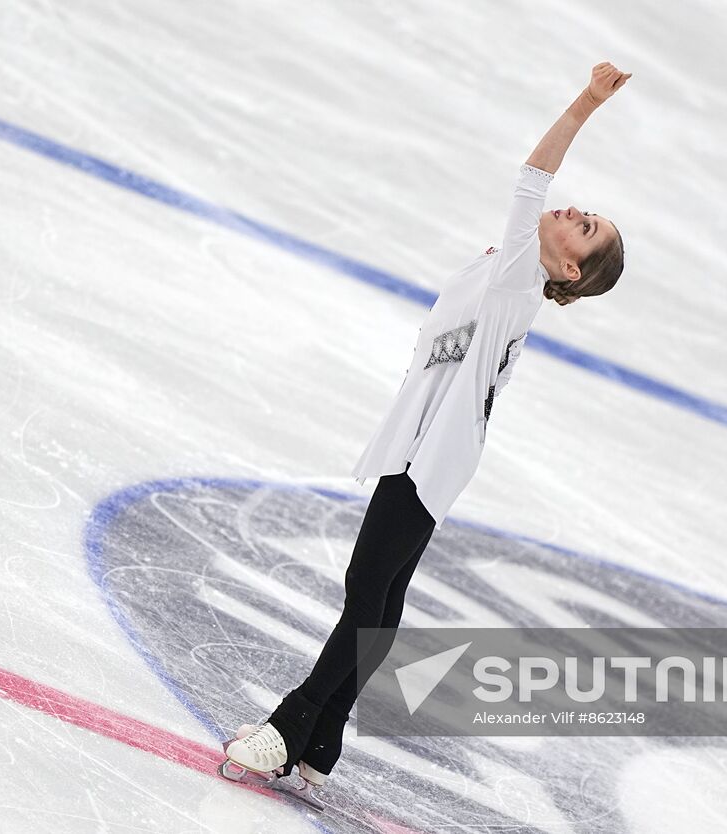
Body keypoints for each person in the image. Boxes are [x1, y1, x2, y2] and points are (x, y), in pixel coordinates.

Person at [218, 61, 632, 808]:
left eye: (586, 225)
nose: (575, 210)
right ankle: (326, 739)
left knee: (366, 591)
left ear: (568, 265)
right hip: (438, 450)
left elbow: (531, 176)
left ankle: (290, 726)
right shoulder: (511, 276)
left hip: (430, 452)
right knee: (381, 593)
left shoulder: (518, 272)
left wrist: (586, 102)